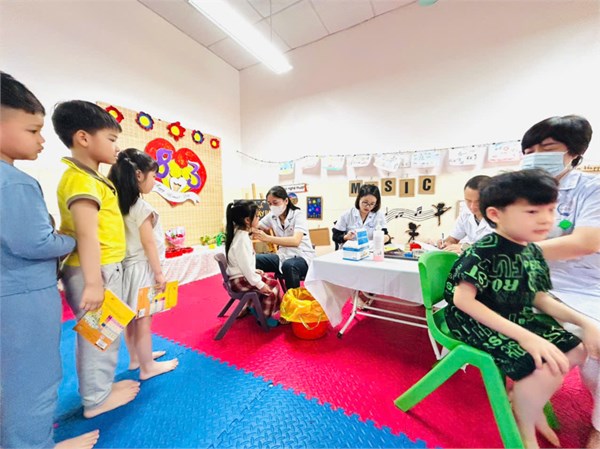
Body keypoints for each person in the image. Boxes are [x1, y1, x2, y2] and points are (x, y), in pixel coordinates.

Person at [443, 169, 600, 449]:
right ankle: (525, 426)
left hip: (510, 311)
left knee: (575, 349)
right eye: (532, 212)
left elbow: (539, 297)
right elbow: (463, 301)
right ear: (495, 214)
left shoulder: (530, 251)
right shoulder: (484, 250)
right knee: (538, 357)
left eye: (550, 210)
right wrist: (525, 336)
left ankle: (527, 402)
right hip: (470, 318)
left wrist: (585, 322)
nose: (546, 220)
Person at [0, 73, 99, 448]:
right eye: (33, 130)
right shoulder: (15, 182)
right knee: (34, 379)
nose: (42, 140)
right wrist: (70, 238)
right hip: (22, 297)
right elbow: (35, 241)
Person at [53, 100, 140, 419]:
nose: (116, 147)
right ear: (83, 138)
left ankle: (100, 390)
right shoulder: (81, 179)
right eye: (111, 139)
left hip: (102, 268)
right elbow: (86, 234)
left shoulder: (94, 179)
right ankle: (96, 400)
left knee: (105, 335)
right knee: (97, 337)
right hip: (95, 270)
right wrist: (93, 282)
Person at [520, 115, 600, 448]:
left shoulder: (591, 189)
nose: (536, 156)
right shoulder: (521, 193)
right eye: (529, 151)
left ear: (575, 153)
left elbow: (586, 242)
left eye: (548, 148)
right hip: (537, 287)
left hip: (586, 286)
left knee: (592, 348)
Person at [108, 148, 179, 379]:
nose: (155, 181)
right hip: (142, 269)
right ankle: (148, 367)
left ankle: (137, 358)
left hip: (126, 268)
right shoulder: (141, 207)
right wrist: (159, 274)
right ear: (139, 175)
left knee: (131, 319)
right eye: (154, 176)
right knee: (144, 320)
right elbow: (149, 243)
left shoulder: (120, 204)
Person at [225, 200, 282, 326]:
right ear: (247, 220)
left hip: (240, 277)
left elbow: (243, 263)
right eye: (256, 216)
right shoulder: (242, 240)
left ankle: (253, 307)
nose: (258, 219)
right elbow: (245, 268)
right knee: (271, 291)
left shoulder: (240, 234)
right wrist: (260, 285)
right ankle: (264, 318)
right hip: (239, 281)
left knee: (271, 280)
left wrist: (255, 271)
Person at [252, 186, 315, 290]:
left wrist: (268, 238)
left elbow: (295, 241)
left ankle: (292, 299)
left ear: (286, 201)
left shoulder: (298, 215)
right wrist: (245, 229)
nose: (272, 206)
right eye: (269, 204)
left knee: (289, 265)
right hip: (282, 256)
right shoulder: (272, 216)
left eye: (275, 203)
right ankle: (257, 296)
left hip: (302, 257)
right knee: (254, 260)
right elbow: (256, 226)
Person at [437, 175, 493, 253]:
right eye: (468, 200)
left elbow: (497, 249)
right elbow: (454, 238)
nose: (472, 206)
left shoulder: (501, 216)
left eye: (478, 202)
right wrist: (446, 242)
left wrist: (466, 247)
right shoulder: (466, 212)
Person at [332, 184, 392, 248]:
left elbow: (385, 235)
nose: (368, 206)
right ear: (359, 199)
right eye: (365, 202)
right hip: (351, 250)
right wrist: (346, 237)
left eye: (372, 204)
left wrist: (387, 238)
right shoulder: (347, 215)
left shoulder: (379, 215)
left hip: (370, 250)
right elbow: (335, 237)